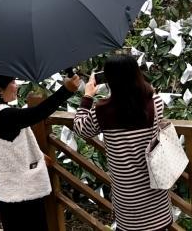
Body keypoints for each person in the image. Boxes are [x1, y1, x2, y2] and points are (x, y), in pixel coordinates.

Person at [73, 55, 173, 231]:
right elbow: (146, 95)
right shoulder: (154, 102)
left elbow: (81, 128)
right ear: (137, 74)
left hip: (127, 195)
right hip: (155, 187)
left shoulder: (102, 111)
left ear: (110, 80)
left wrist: (87, 96)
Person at [0, 73, 81, 231]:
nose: (17, 85)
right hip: (22, 191)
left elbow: (4, 145)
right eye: (13, 82)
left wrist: (36, 155)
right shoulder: (4, 115)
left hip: (4, 188)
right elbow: (38, 113)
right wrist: (67, 90)